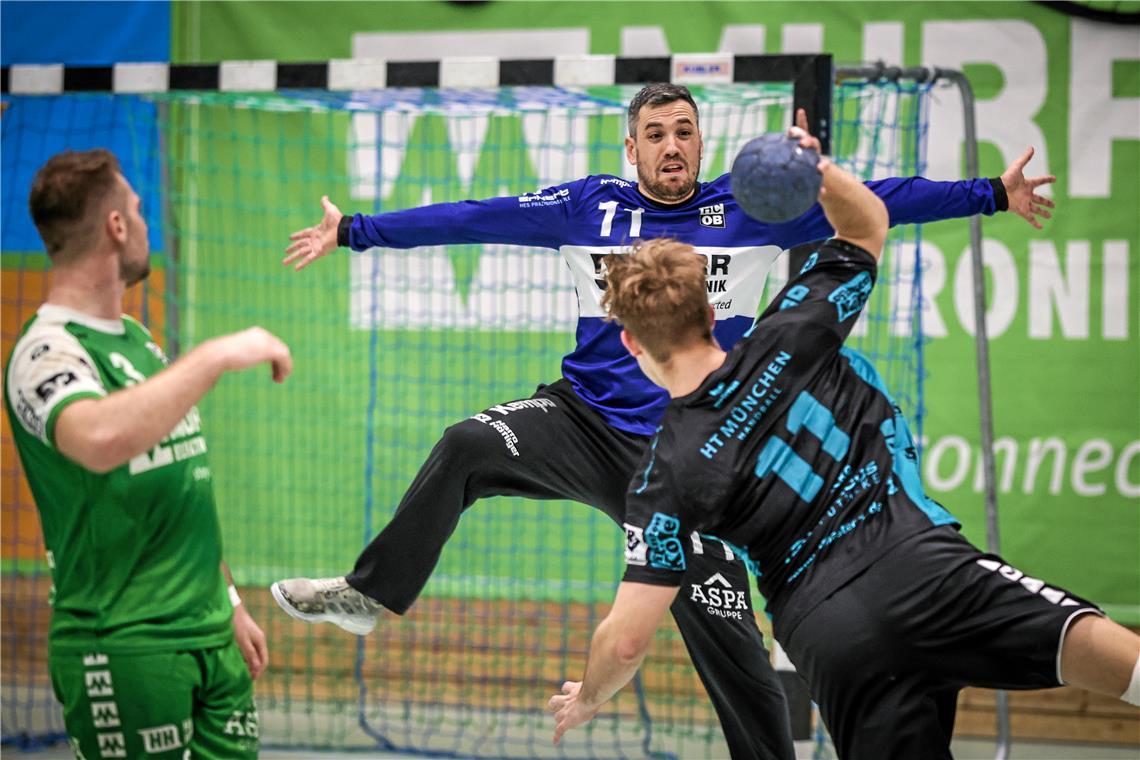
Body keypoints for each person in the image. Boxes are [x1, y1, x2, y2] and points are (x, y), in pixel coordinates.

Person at [271, 83, 1055, 759]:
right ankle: (372, 597)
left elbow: (886, 202)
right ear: (632, 147)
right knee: (469, 443)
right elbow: (476, 215)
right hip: (578, 420)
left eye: (684, 132)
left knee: (729, 638)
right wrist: (356, 231)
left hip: (690, 456)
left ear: (701, 143)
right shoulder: (589, 206)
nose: (672, 146)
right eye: (656, 134)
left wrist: (992, 191)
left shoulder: (750, 209)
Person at [546, 153, 1140, 759]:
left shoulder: (662, 473)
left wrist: (590, 696)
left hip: (830, 633)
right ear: (709, 309)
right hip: (920, 564)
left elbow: (625, 643)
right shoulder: (795, 326)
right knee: (1102, 652)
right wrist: (816, 167)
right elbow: (868, 224)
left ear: (628, 339)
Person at [5, 149, 293, 759]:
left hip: (210, 635)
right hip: (124, 642)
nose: (143, 223)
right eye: (136, 210)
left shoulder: (137, 341)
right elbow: (99, 440)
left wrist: (231, 602)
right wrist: (216, 355)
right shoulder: (45, 353)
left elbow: (178, 484)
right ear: (115, 226)